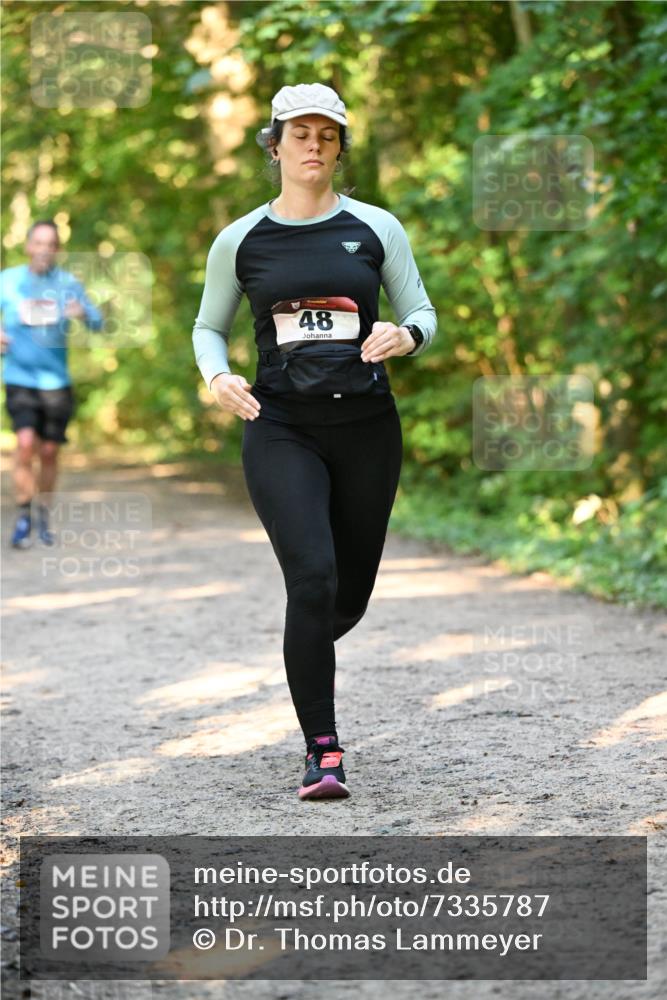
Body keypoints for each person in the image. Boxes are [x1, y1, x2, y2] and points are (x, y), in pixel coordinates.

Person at [192, 83, 437, 801]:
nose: (312, 145)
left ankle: (304, 654)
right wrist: (217, 377)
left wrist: (405, 334)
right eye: (299, 133)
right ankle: (322, 752)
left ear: (338, 148)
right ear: (274, 145)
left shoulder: (374, 228)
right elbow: (209, 326)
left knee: (346, 599)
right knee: (312, 579)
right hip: (281, 428)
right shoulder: (240, 239)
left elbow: (418, 308)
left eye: (326, 135)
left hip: (366, 429)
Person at [1, 219, 103, 548]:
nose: (44, 249)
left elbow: (99, 322)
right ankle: (23, 516)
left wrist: (83, 313)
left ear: (57, 249)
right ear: (28, 246)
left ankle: (42, 513)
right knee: (25, 444)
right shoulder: (8, 281)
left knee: (48, 452)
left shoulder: (68, 284)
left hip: (55, 382)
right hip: (19, 378)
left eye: (51, 244)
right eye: (39, 242)